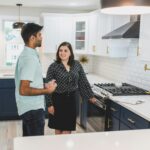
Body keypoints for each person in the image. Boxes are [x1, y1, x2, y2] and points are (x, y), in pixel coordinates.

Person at [15, 23, 57, 136]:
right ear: (32, 38)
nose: (41, 37)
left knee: (29, 143)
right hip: (33, 110)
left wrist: (44, 85)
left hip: (29, 108)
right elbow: (23, 89)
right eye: (39, 34)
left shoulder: (30, 55)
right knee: (36, 144)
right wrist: (47, 91)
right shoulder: (29, 58)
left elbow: (30, 84)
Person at [46, 41, 96, 134]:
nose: (62, 53)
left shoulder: (77, 65)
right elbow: (48, 87)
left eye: (65, 50)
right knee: (58, 129)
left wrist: (90, 95)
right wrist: (49, 104)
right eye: (60, 50)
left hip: (71, 101)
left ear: (70, 53)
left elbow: (83, 81)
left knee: (67, 130)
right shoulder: (53, 67)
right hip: (57, 101)